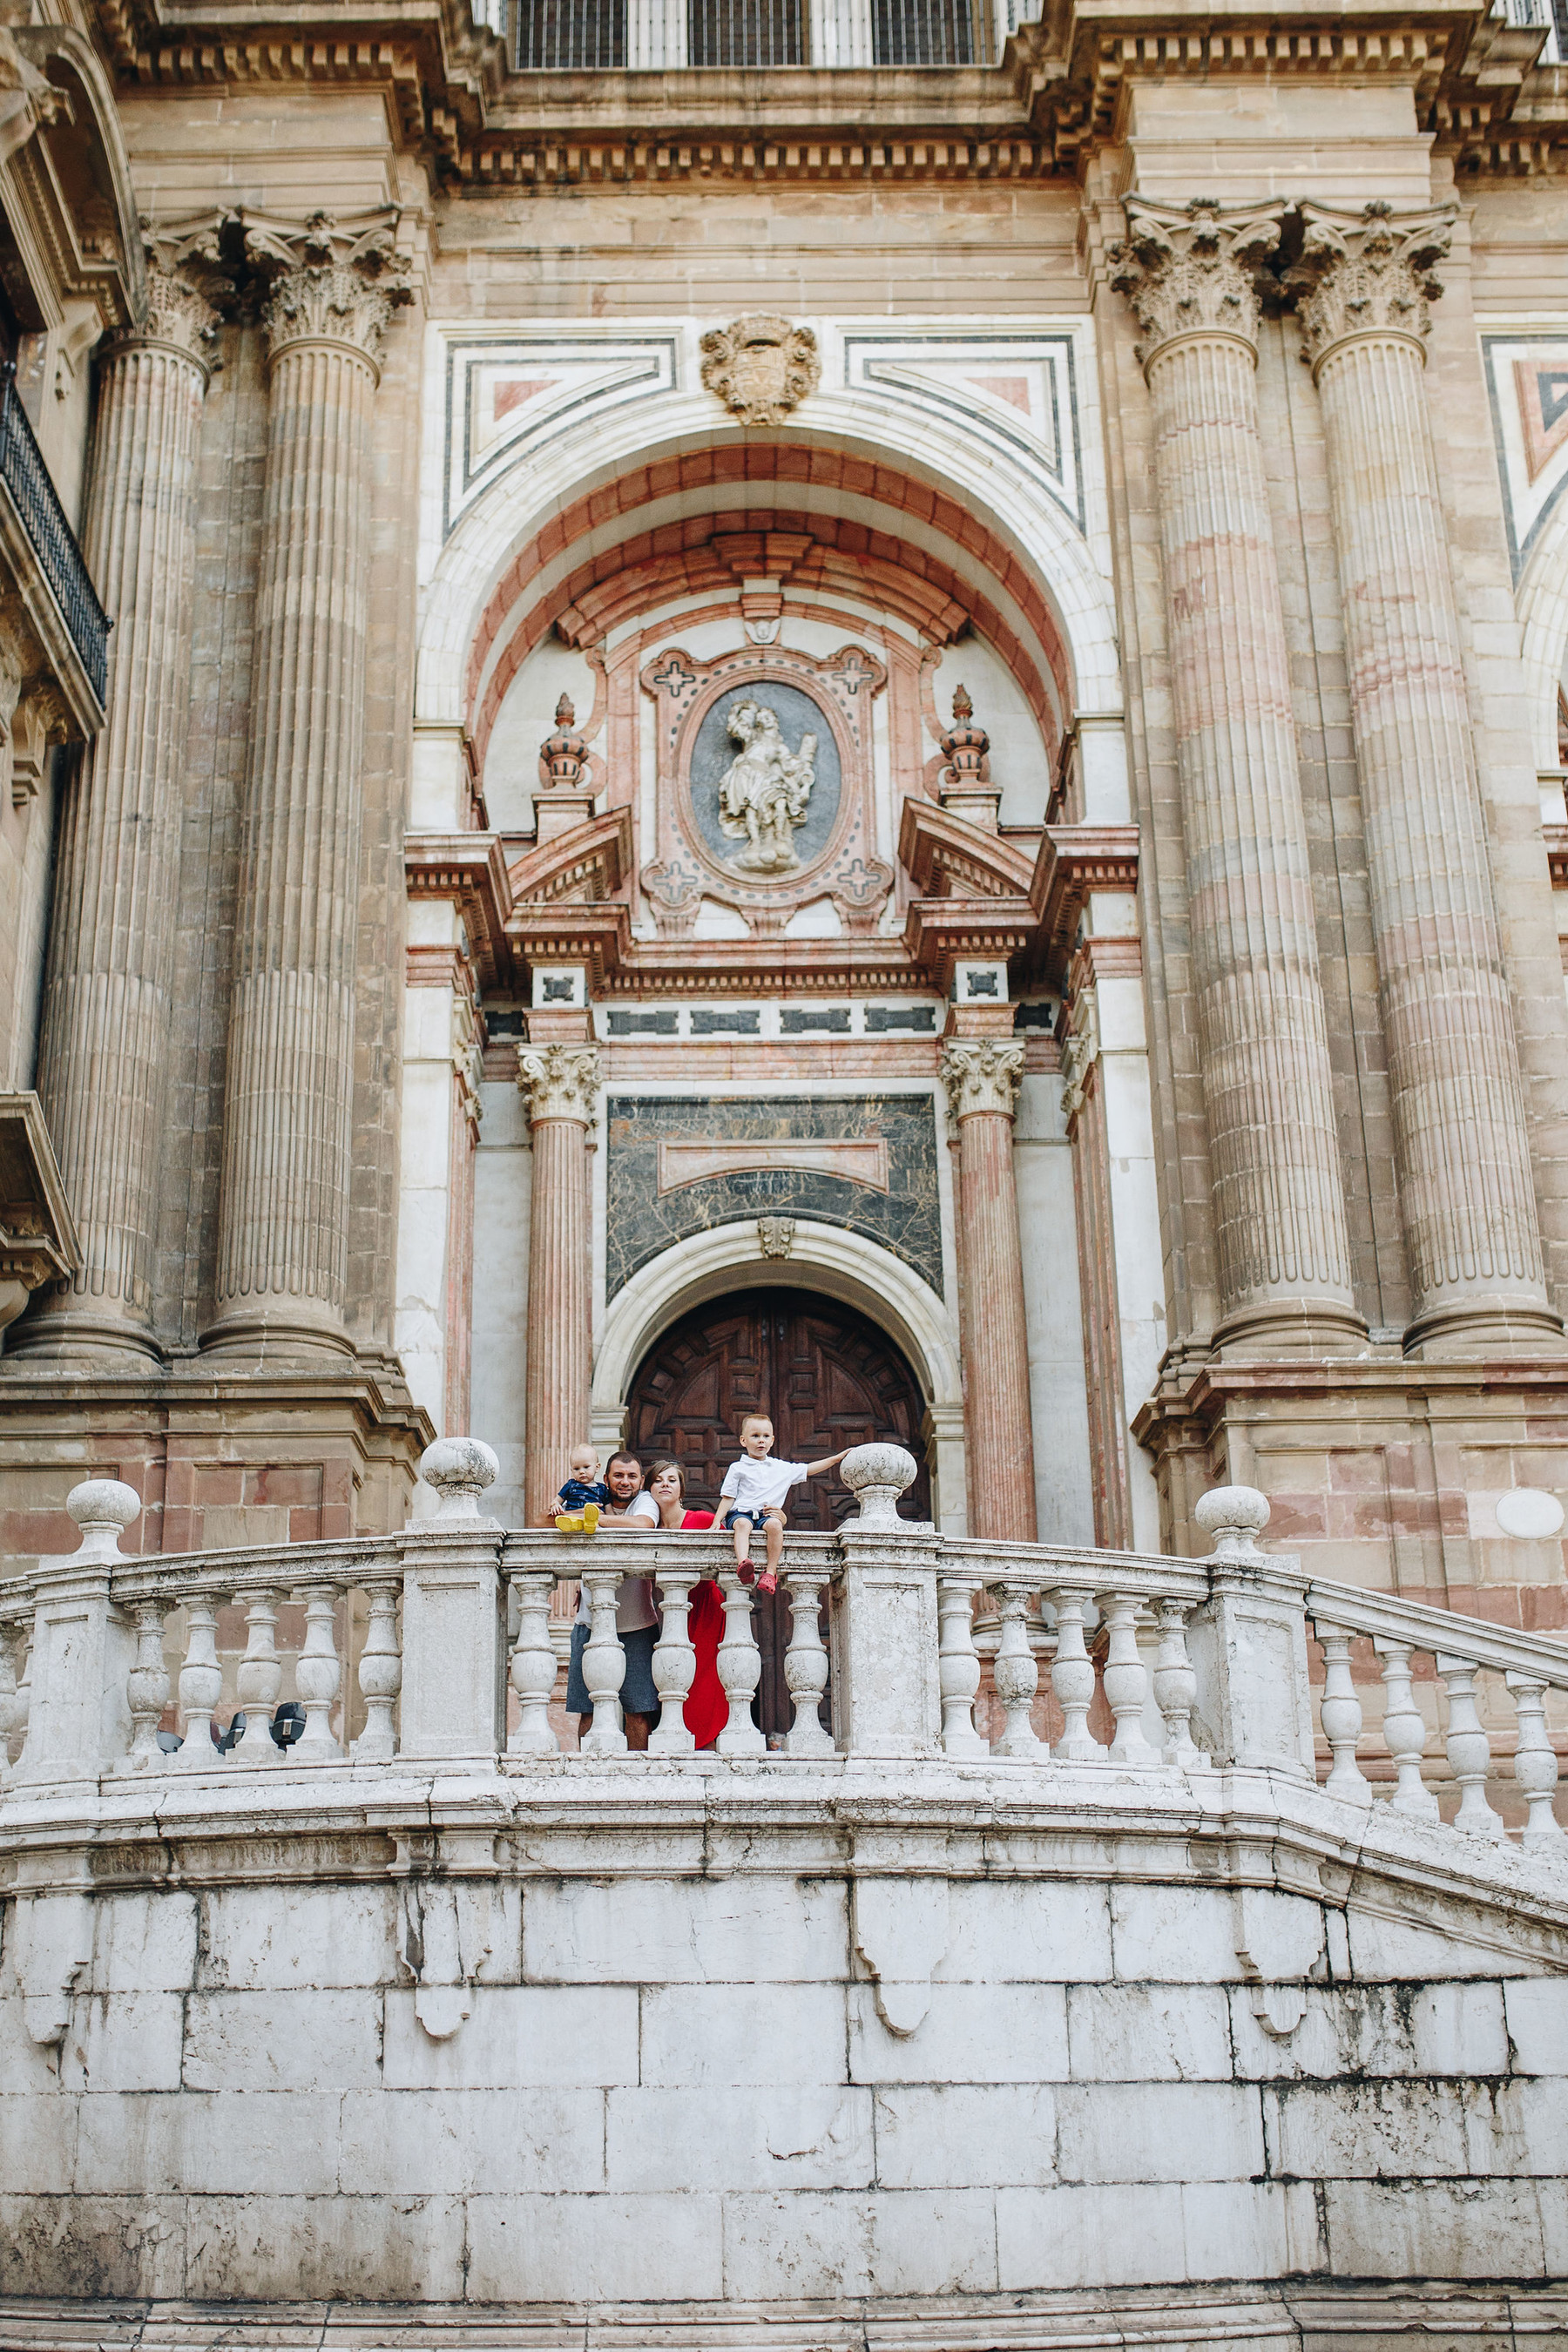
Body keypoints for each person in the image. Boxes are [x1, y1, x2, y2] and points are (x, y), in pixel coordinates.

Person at [559, 1450, 661, 1749]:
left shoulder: (644, 1501)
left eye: (631, 1476)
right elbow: (552, 1519)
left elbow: (644, 1524)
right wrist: (579, 1513)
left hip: (638, 1624)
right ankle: (586, 1775)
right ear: (606, 1478)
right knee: (587, 1710)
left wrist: (595, 1519)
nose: (625, 1482)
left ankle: (637, 1776)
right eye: (618, 1475)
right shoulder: (590, 1495)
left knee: (638, 1710)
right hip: (589, 1622)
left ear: (641, 1480)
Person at [642, 1456, 725, 1750]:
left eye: (671, 1480)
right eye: (658, 1480)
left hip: (707, 1609)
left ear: (681, 1488)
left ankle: (707, 1744)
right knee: (676, 1677)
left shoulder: (702, 1520)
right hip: (672, 1614)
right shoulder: (647, 1529)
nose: (665, 1485)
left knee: (706, 1680)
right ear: (648, 1488)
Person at [719, 1414, 849, 1592]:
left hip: (766, 1515)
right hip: (741, 1513)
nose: (761, 1441)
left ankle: (770, 1573)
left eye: (765, 1436)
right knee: (742, 1525)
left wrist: (836, 1459)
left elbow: (809, 1469)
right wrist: (715, 1521)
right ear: (743, 1440)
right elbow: (728, 1497)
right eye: (755, 1436)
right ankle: (744, 1563)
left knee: (775, 1526)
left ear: (772, 1440)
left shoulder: (781, 1468)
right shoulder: (737, 1468)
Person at [551, 1443, 609, 1534]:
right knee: (571, 1519)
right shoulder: (571, 1485)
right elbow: (556, 1500)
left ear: (597, 1467)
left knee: (595, 1519)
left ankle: (590, 1524)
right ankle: (572, 1525)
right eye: (576, 1469)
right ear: (572, 1470)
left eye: (586, 1467)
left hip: (596, 1520)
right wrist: (555, 1505)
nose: (581, 1472)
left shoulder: (602, 1489)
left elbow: (609, 1512)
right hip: (573, 1516)